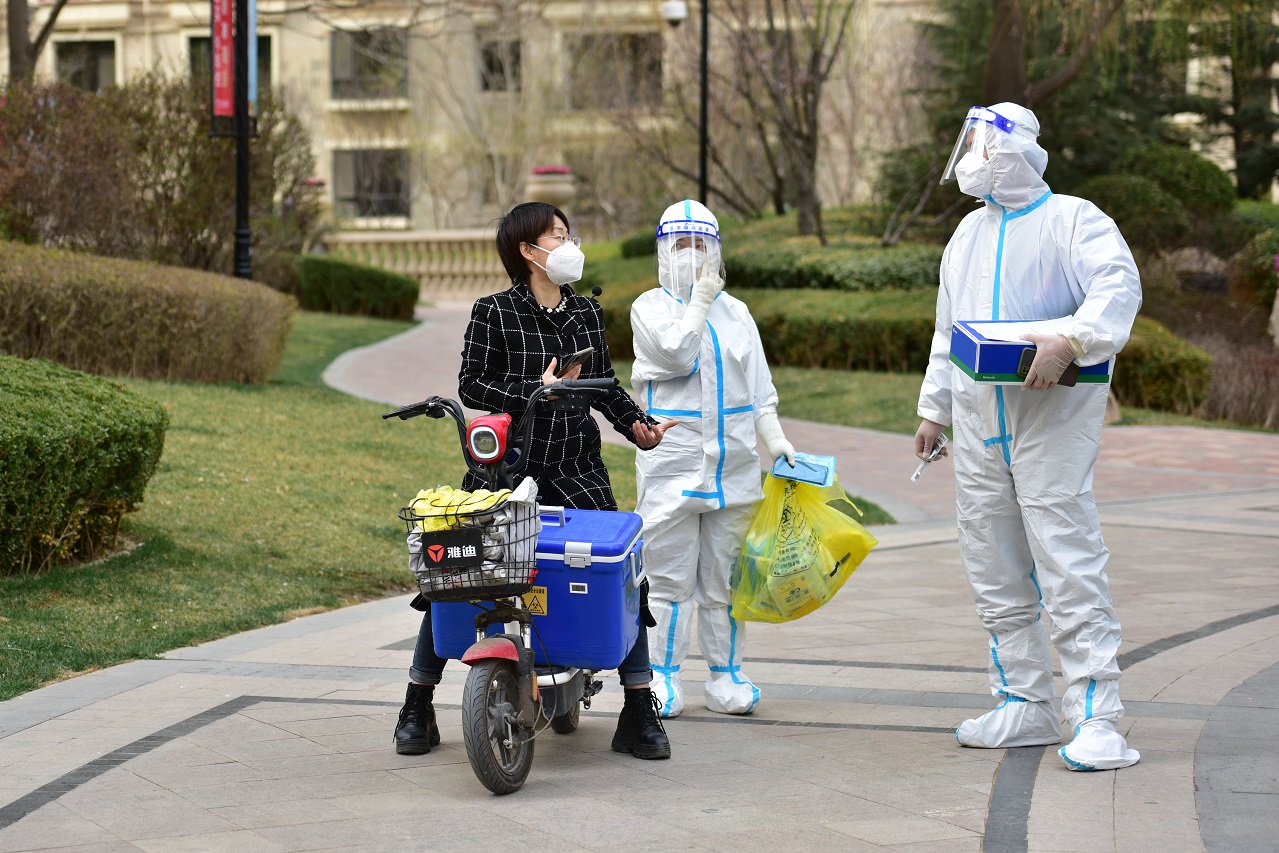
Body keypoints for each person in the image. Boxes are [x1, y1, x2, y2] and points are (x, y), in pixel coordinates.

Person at [394, 201, 676, 760]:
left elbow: (605, 385)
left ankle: (638, 710)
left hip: (576, 466)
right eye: (558, 236)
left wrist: (638, 426)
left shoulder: (586, 312)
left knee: (622, 571)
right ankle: (417, 704)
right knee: (453, 572)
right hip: (507, 467)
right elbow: (472, 385)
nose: (570, 246)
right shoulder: (494, 311)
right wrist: (534, 388)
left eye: (569, 236)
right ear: (528, 250)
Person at [916, 103, 1143, 771]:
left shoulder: (1074, 220)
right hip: (978, 422)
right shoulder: (966, 234)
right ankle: (1024, 701)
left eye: (982, 145)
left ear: (1012, 150)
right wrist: (933, 410)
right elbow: (947, 332)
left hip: (1050, 420)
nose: (972, 158)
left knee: (1066, 558)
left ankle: (1097, 714)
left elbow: (1116, 288)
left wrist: (1072, 338)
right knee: (991, 562)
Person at [630, 199, 795, 718]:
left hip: (735, 467)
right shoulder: (649, 308)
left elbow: (760, 388)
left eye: (702, 244)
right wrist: (700, 301)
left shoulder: (737, 312)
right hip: (673, 468)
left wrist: (776, 440)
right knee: (669, 580)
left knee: (726, 581)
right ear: (663, 250)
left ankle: (726, 675)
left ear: (717, 249)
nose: (692, 254)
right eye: (681, 244)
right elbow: (677, 354)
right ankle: (662, 676)